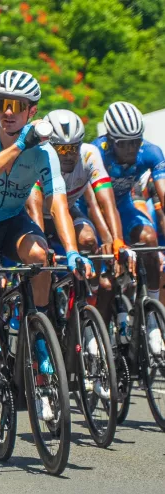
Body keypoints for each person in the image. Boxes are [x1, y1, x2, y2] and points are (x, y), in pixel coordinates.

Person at [0, 69, 94, 439]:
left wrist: (71, 251)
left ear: (31, 111)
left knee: (42, 256)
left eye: (17, 105)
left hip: (12, 222)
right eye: (2, 103)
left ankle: (39, 333)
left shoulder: (45, 152)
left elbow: (58, 203)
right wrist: (19, 145)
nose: (8, 111)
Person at [25, 110, 134, 332]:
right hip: (34, 216)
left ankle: (87, 299)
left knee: (88, 240)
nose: (69, 155)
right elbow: (34, 209)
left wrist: (117, 240)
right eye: (62, 149)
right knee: (40, 260)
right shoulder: (36, 158)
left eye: (73, 148)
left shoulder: (90, 155)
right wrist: (43, 246)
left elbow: (106, 202)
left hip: (66, 210)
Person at [93, 101, 165, 356]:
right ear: (110, 140)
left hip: (123, 207)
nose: (132, 148)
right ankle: (97, 334)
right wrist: (111, 239)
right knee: (107, 281)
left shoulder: (151, 152)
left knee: (149, 239)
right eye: (124, 143)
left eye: (136, 141)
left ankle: (152, 314)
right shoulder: (95, 153)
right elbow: (95, 204)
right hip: (95, 210)